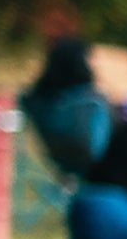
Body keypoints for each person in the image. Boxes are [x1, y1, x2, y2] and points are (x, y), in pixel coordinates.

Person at [20, 38, 114, 179]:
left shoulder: (37, 100)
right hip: (94, 169)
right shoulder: (91, 101)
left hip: (53, 165)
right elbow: (96, 147)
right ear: (82, 63)